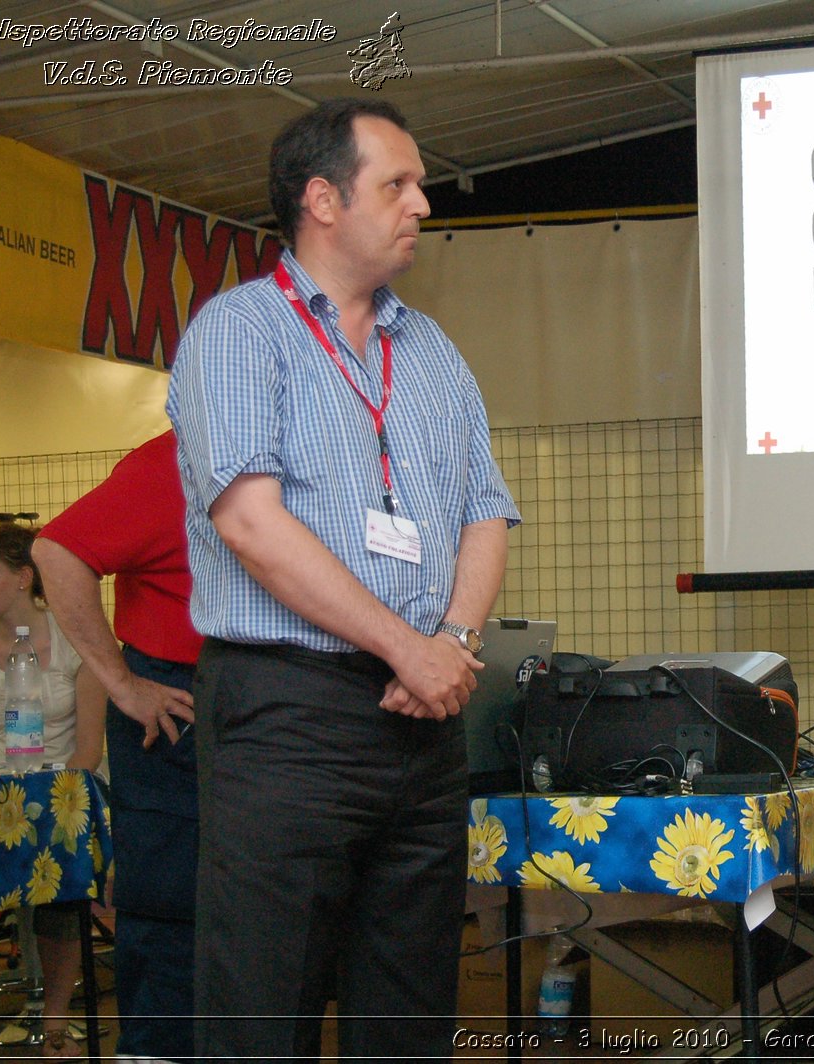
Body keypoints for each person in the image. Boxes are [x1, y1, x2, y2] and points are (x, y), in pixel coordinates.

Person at [166, 98, 520, 1059]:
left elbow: (485, 512)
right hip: (290, 715)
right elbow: (249, 522)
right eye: (397, 183)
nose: (423, 204)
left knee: (409, 1010)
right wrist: (410, 645)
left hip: (424, 717)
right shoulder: (240, 333)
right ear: (321, 199)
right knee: (263, 1002)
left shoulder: (433, 352)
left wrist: (449, 644)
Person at [35, 430, 200, 1062]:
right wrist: (123, 684)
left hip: (261, 699)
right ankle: (157, 1049)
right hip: (177, 699)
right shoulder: (171, 464)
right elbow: (57, 550)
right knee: (169, 893)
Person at [0, 521, 106, 1059]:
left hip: (63, 785)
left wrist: (54, 801)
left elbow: (89, 749)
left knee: (59, 858)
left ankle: (52, 1019)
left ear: (22, 578)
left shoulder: (76, 638)